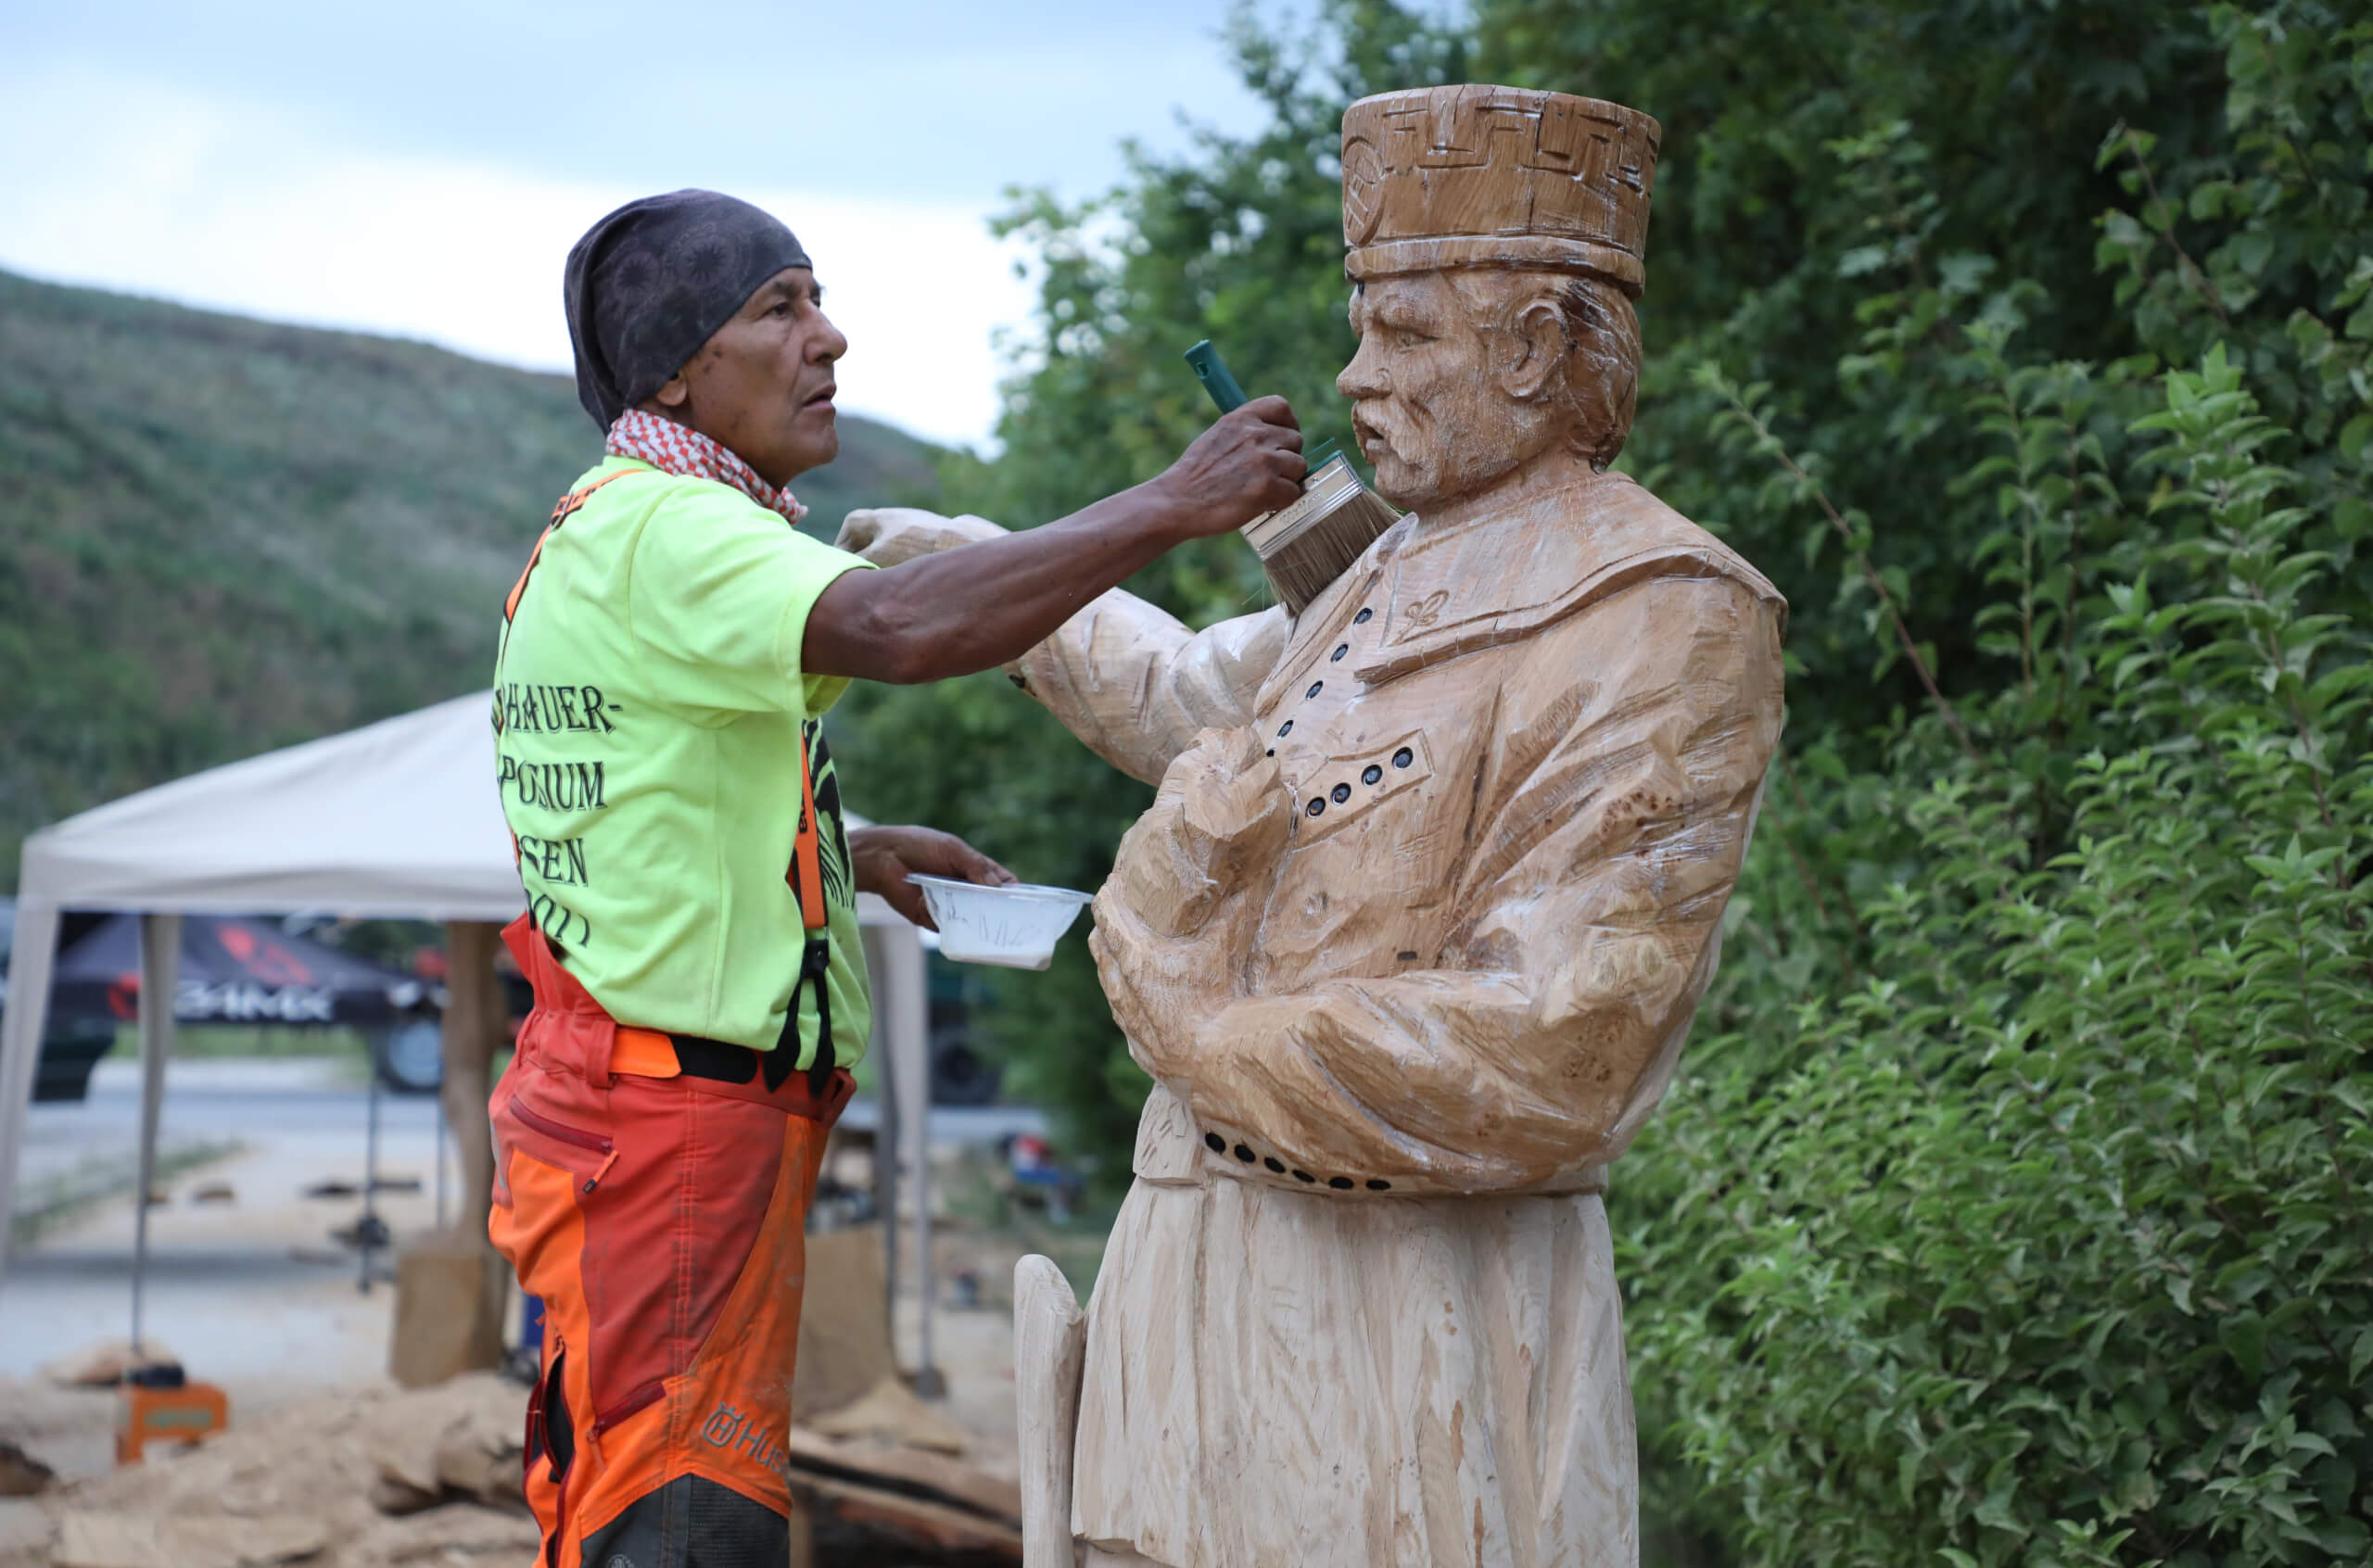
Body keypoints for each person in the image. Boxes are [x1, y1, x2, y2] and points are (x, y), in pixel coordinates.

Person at [845, 85, 1787, 1567]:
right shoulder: (1387, 571)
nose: (1355, 376)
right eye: (1362, 328)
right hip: (1202, 1291)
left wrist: (1204, 1034)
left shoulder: (1657, 615)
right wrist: (978, 570)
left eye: (1401, 334)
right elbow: (1185, 698)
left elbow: (1565, 1038)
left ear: (1536, 348)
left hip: (1421, 1329)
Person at [486, 187, 1303, 1567]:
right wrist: (1173, 503)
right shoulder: (669, 530)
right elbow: (903, 624)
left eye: (818, 301)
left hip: (648, 1110)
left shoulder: (619, 534)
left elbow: (637, 809)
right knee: (681, 1515)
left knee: (659, 1489)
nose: (829, 338)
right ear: (677, 369)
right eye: (779, 307)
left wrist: (844, 859)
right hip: (672, 1129)